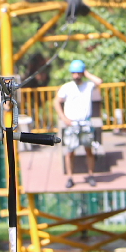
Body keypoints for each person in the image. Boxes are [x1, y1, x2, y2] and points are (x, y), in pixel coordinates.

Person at [54, 59, 103, 189]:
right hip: (72, 124)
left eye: (79, 73)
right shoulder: (67, 87)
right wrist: (63, 118)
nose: (76, 76)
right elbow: (57, 102)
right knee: (70, 152)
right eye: (74, 73)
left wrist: (86, 73)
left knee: (89, 151)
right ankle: (70, 178)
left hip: (85, 123)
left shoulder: (88, 86)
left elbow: (99, 82)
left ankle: (91, 175)